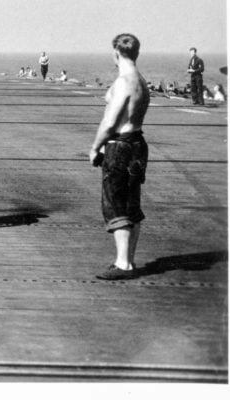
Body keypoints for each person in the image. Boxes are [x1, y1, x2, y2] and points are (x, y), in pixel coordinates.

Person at [88, 33, 150, 280]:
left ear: (115, 53)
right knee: (132, 203)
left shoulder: (124, 82)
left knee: (115, 204)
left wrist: (95, 147)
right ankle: (129, 261)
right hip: (137, 144)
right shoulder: (141, 81)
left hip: (120, 146)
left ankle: (122, 264)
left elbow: (110, 121)